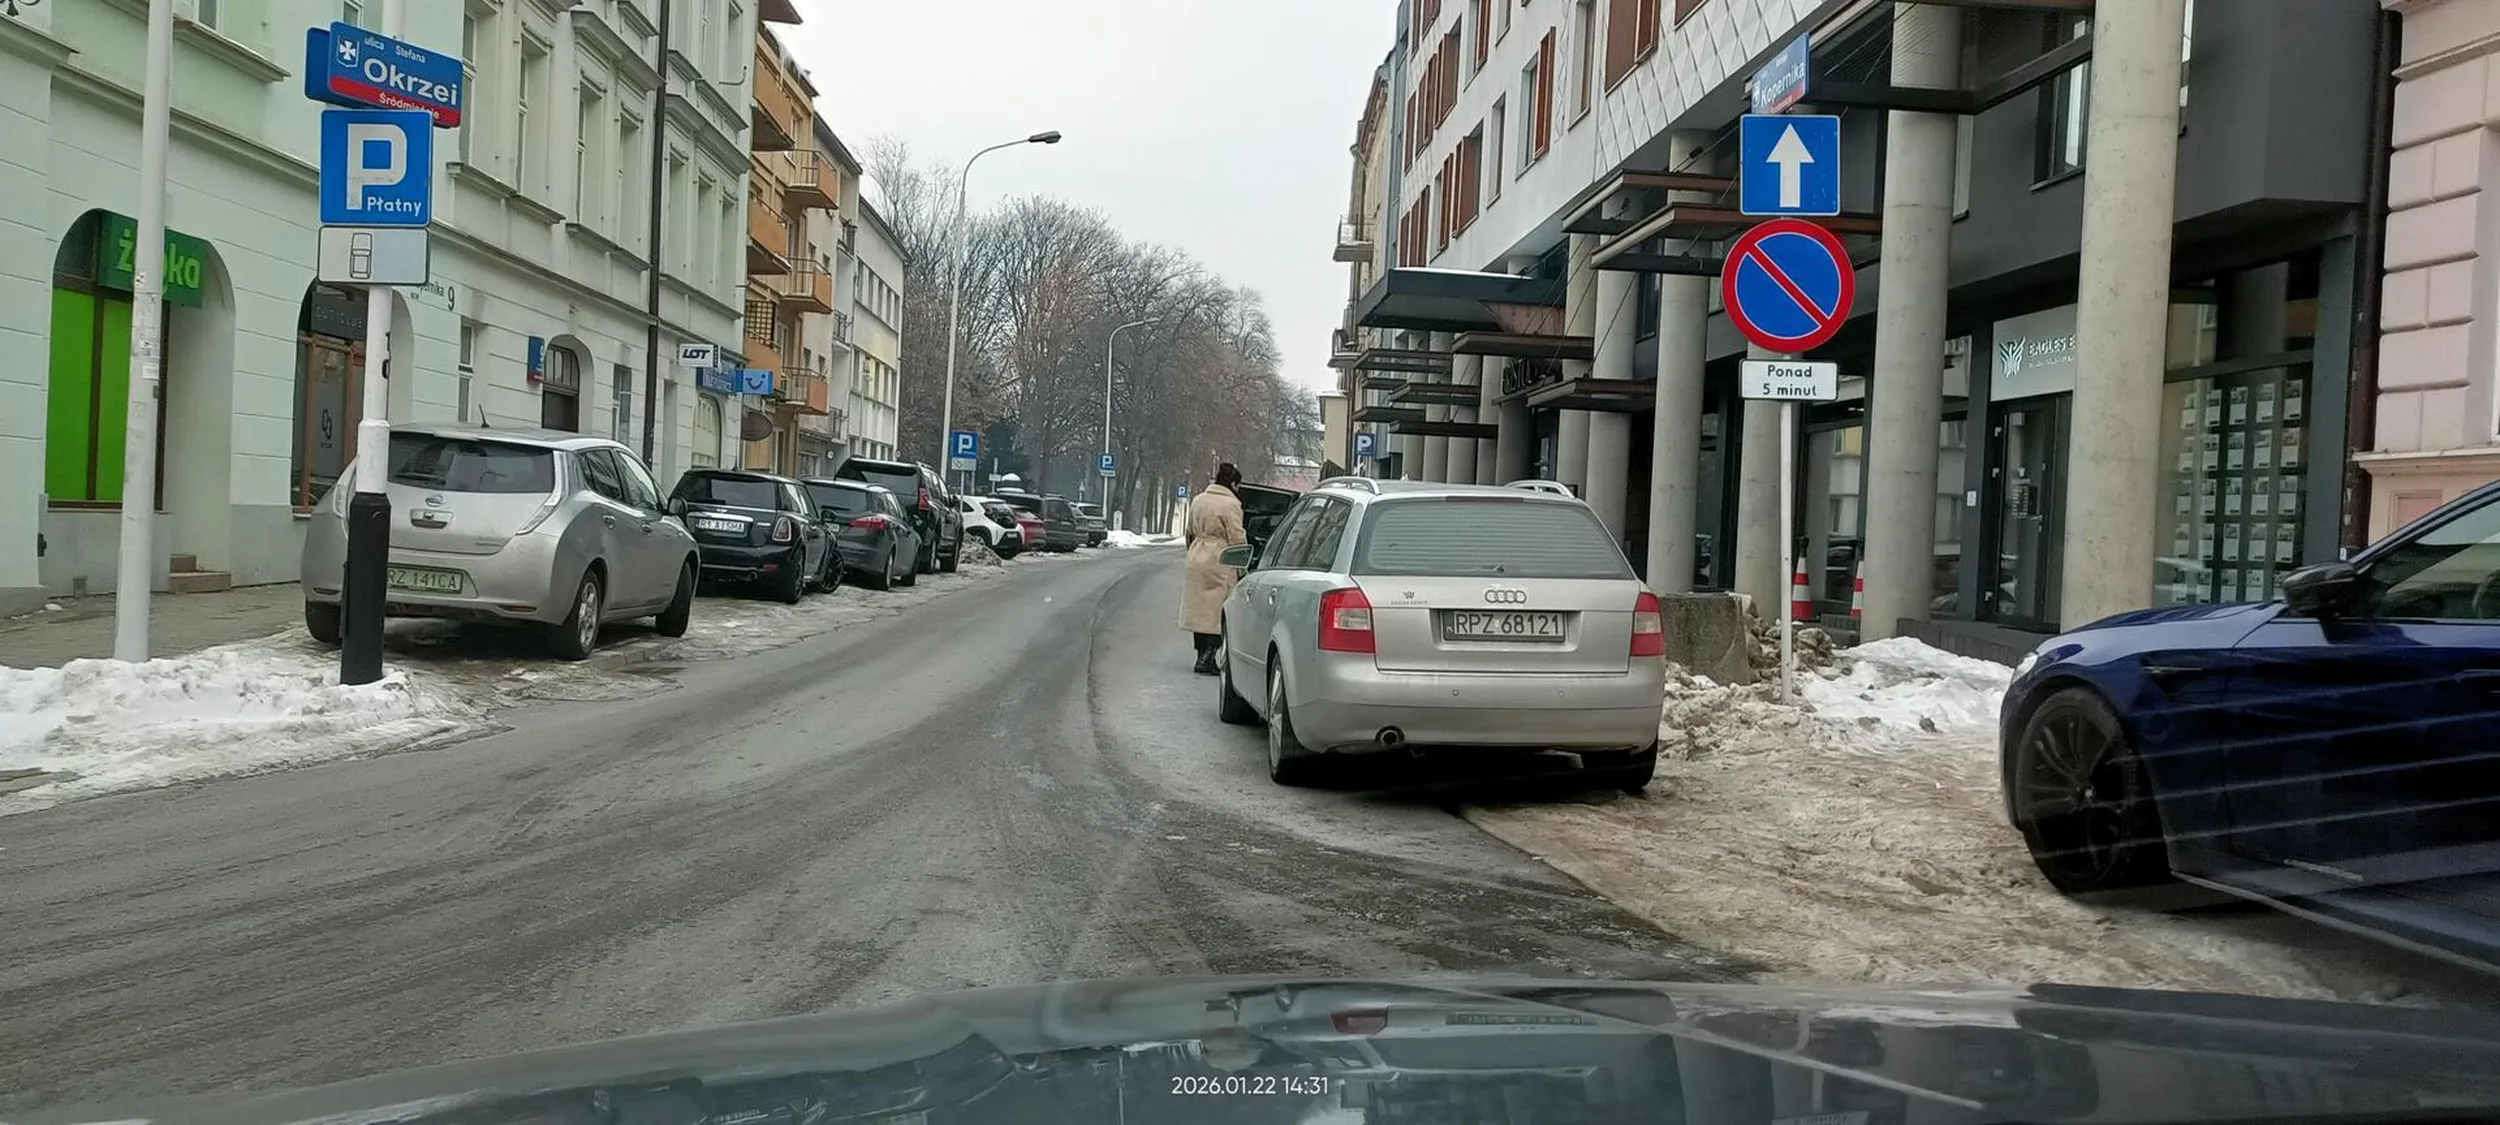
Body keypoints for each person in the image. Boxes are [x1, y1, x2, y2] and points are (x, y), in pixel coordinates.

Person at [1180, 462, 1248, 676]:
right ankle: (1209, 655)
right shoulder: (1231, 505)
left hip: (1197, 553)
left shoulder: (1199, 499)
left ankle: (1200, 653)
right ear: (1233, 483)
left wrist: (1193, 550)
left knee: (1200, 609)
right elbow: (1237, 537)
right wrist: (1243, 562)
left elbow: (1189, 530)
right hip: (1220, 557)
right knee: (1219, 609)